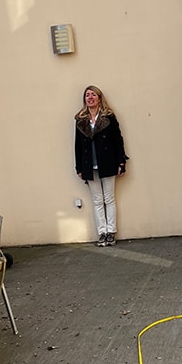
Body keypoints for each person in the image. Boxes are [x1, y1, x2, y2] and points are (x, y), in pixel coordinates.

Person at [74, 85, 128, 246]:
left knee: (109, 199)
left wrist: (121, 161)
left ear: (99, 98)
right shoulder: (80, 120)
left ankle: (111, 232)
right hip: (89, 164)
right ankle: (102, 233)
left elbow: (118, 139)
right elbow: (77, 145)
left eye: (93, 95)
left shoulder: (108, 117)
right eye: (87, 95)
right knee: (97, 200)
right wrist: (79, 168)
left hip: (108, 161)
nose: (90, 97)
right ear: (85, 99)